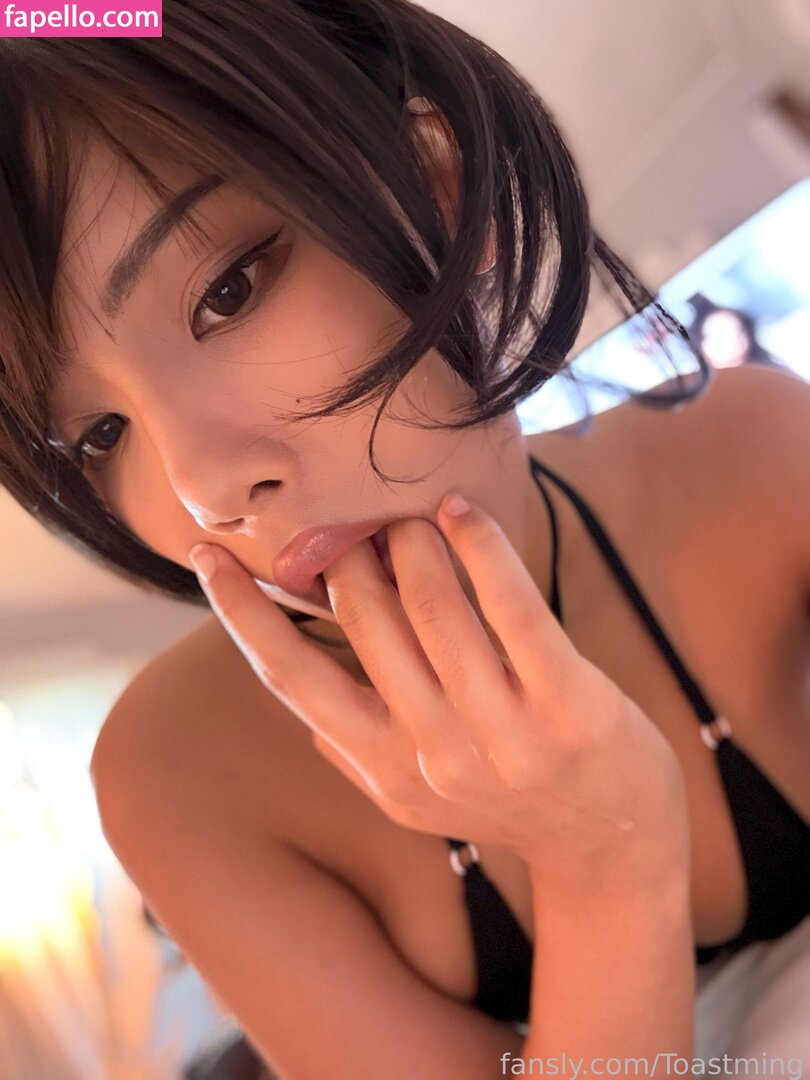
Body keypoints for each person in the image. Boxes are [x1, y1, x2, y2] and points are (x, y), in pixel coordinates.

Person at [0, 3, 808, 1077]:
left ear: (434, 188)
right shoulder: (176, 774)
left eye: (226, 294)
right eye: (99, 436)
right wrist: (601, 861)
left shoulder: (760, 460)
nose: (204, 491)